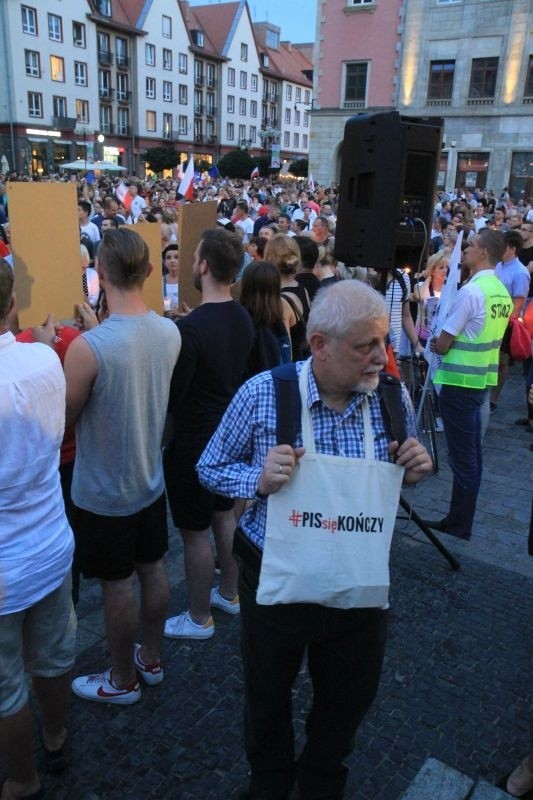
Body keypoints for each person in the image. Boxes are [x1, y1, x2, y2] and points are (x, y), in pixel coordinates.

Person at [197, 280, 432, 800]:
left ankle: (323, 780)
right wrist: (256, 480)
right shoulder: (264, 392)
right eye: (365, 346)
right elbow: (209, 466)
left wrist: (414, 471)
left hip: (359, 584)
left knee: (347, 698)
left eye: (382, 343)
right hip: (275, 580)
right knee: (267, 695)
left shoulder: (392, 397)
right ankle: (270, 782)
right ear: (319, 344)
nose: (380, 357)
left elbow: (401, 476)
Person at [65, 228, 181, 705]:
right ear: (150, 270)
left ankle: (120, 679)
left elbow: (64, 420)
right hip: (149, 480)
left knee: (117, 585)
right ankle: (149, 659)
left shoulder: (88, 348)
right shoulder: (170, 331)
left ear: (101, 273)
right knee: (152, 568)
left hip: (104, 488)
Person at [0, 259, 76, 799]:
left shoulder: (39, 353)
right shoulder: (46, 359)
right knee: (50, 659)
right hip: (51, 543)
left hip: (4, 568)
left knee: (6, 689)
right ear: (11, 304)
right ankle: (56, 735)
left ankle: (22, 780)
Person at [163, 228, 254, 641]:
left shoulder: (191, 329)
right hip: (230, 435)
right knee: (225, 517)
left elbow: (175, 396)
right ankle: (231, 593)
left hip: (195, 441)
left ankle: (199, 617)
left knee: (195, 532)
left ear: (203, 266)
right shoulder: (242, 317)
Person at [427, 228, 512, 539]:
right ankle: (458, 518)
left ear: (484, 253)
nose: (465, 251)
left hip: (459, 382)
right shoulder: (499, 291)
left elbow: (445, 342)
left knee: (463, 458)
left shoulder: (472, 291)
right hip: (480, 383)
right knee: (471, 455)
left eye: (471, 246)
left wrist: (435, 343)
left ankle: (459, 522)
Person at [490, 229, 531, 413]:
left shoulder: (520, 272)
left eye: (503, 246)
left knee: (501, 361)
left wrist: (505, 323)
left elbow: (518, 302)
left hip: (506, 322)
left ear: (513, 249)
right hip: (491, 317)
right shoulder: (498, 266)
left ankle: (494, 399)